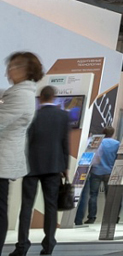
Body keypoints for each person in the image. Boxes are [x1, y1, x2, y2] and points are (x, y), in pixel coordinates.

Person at [15, 85, 71, 256]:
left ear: (40, 98)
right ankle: (49, 245)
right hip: (54, 166)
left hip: (31, 166)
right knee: (51, 206)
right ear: (54, 97)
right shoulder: (63, 116)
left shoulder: (33, 115)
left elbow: (25, 141)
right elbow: (65, 143)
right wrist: (65, 167)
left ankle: (22, 246)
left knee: (27, 206)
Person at [0, 52, 42, 252]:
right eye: (10, 66)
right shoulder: (18, 92)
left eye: (15, 66)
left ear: (28, 70)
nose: (10, 70)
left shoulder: (20, 95)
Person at [75, 126, 120, 225]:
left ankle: (91, 217)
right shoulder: (117, 144)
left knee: (93, 195)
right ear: (113, 133)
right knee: (109, 196)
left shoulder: (98, 142)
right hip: (109, 171)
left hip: (96, 171)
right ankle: (111, 217)